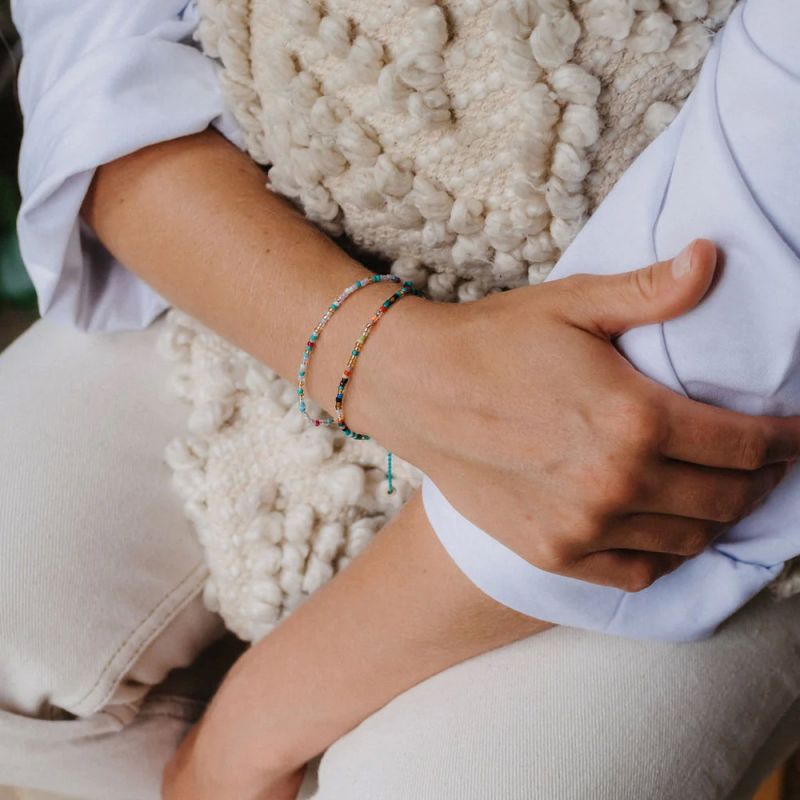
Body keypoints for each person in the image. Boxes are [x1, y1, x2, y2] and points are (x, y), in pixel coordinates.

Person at [2, 1, 799, 798]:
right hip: (280, 239)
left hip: (696, 474)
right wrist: (380, 359)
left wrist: (240, 736)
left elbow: (704, 371)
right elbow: (93, 60)